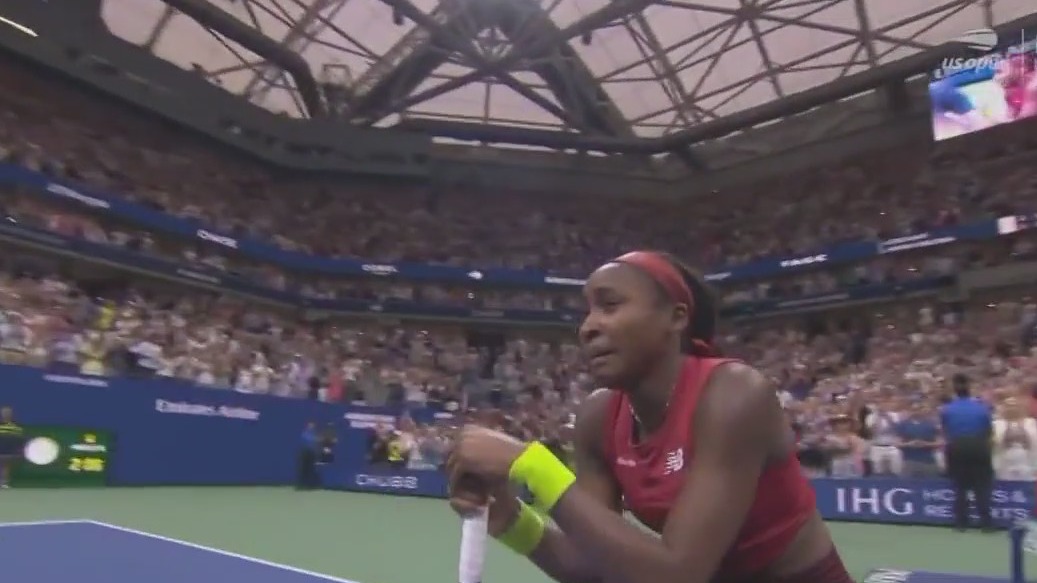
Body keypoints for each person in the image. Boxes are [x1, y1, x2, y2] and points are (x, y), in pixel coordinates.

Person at [447, 250, 853, 583]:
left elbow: (677, 574)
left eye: (610, 305)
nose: (588, 327)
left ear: (676, 318)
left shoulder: (734, 395)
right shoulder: (598, 416)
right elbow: (592, 567)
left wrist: (532, 465)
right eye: (587, 311)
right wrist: (510, 519)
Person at [940, 374, 994, 531]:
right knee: (982, 486)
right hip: (978, 445)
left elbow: (946, 430)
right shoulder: (982, 408)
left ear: (955, 391)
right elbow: (988, 430)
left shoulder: (947, 409)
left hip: (957, 445)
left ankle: (961, 523)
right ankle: (986, 524)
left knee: (960, 486)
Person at [0, 406, 24, 489]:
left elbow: (19, 440)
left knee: (5, 466)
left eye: (7, 413)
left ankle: (4, 483)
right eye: (4, 413)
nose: (6, 414)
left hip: (8, 452)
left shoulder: (16, 427)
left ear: (11, 414)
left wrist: (18, 451)